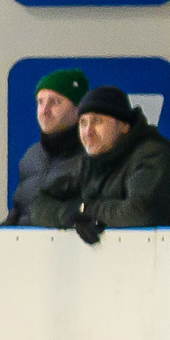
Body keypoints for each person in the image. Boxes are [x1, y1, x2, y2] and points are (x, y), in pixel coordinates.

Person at [22, 86, 170, 239]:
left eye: (98, 121)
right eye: (83, 123)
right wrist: (69, 216)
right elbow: (38, 204)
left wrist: (84, 209)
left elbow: (140, 213)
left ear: (124, 126)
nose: (88, 132)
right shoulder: (88, 162)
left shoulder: (153, 154)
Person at [5, 67, 87, 224]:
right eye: (40, 102)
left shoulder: (92, 158)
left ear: (77, 110)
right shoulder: (31, 156)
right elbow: (20, 208)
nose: (44, 111)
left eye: (54, 102)